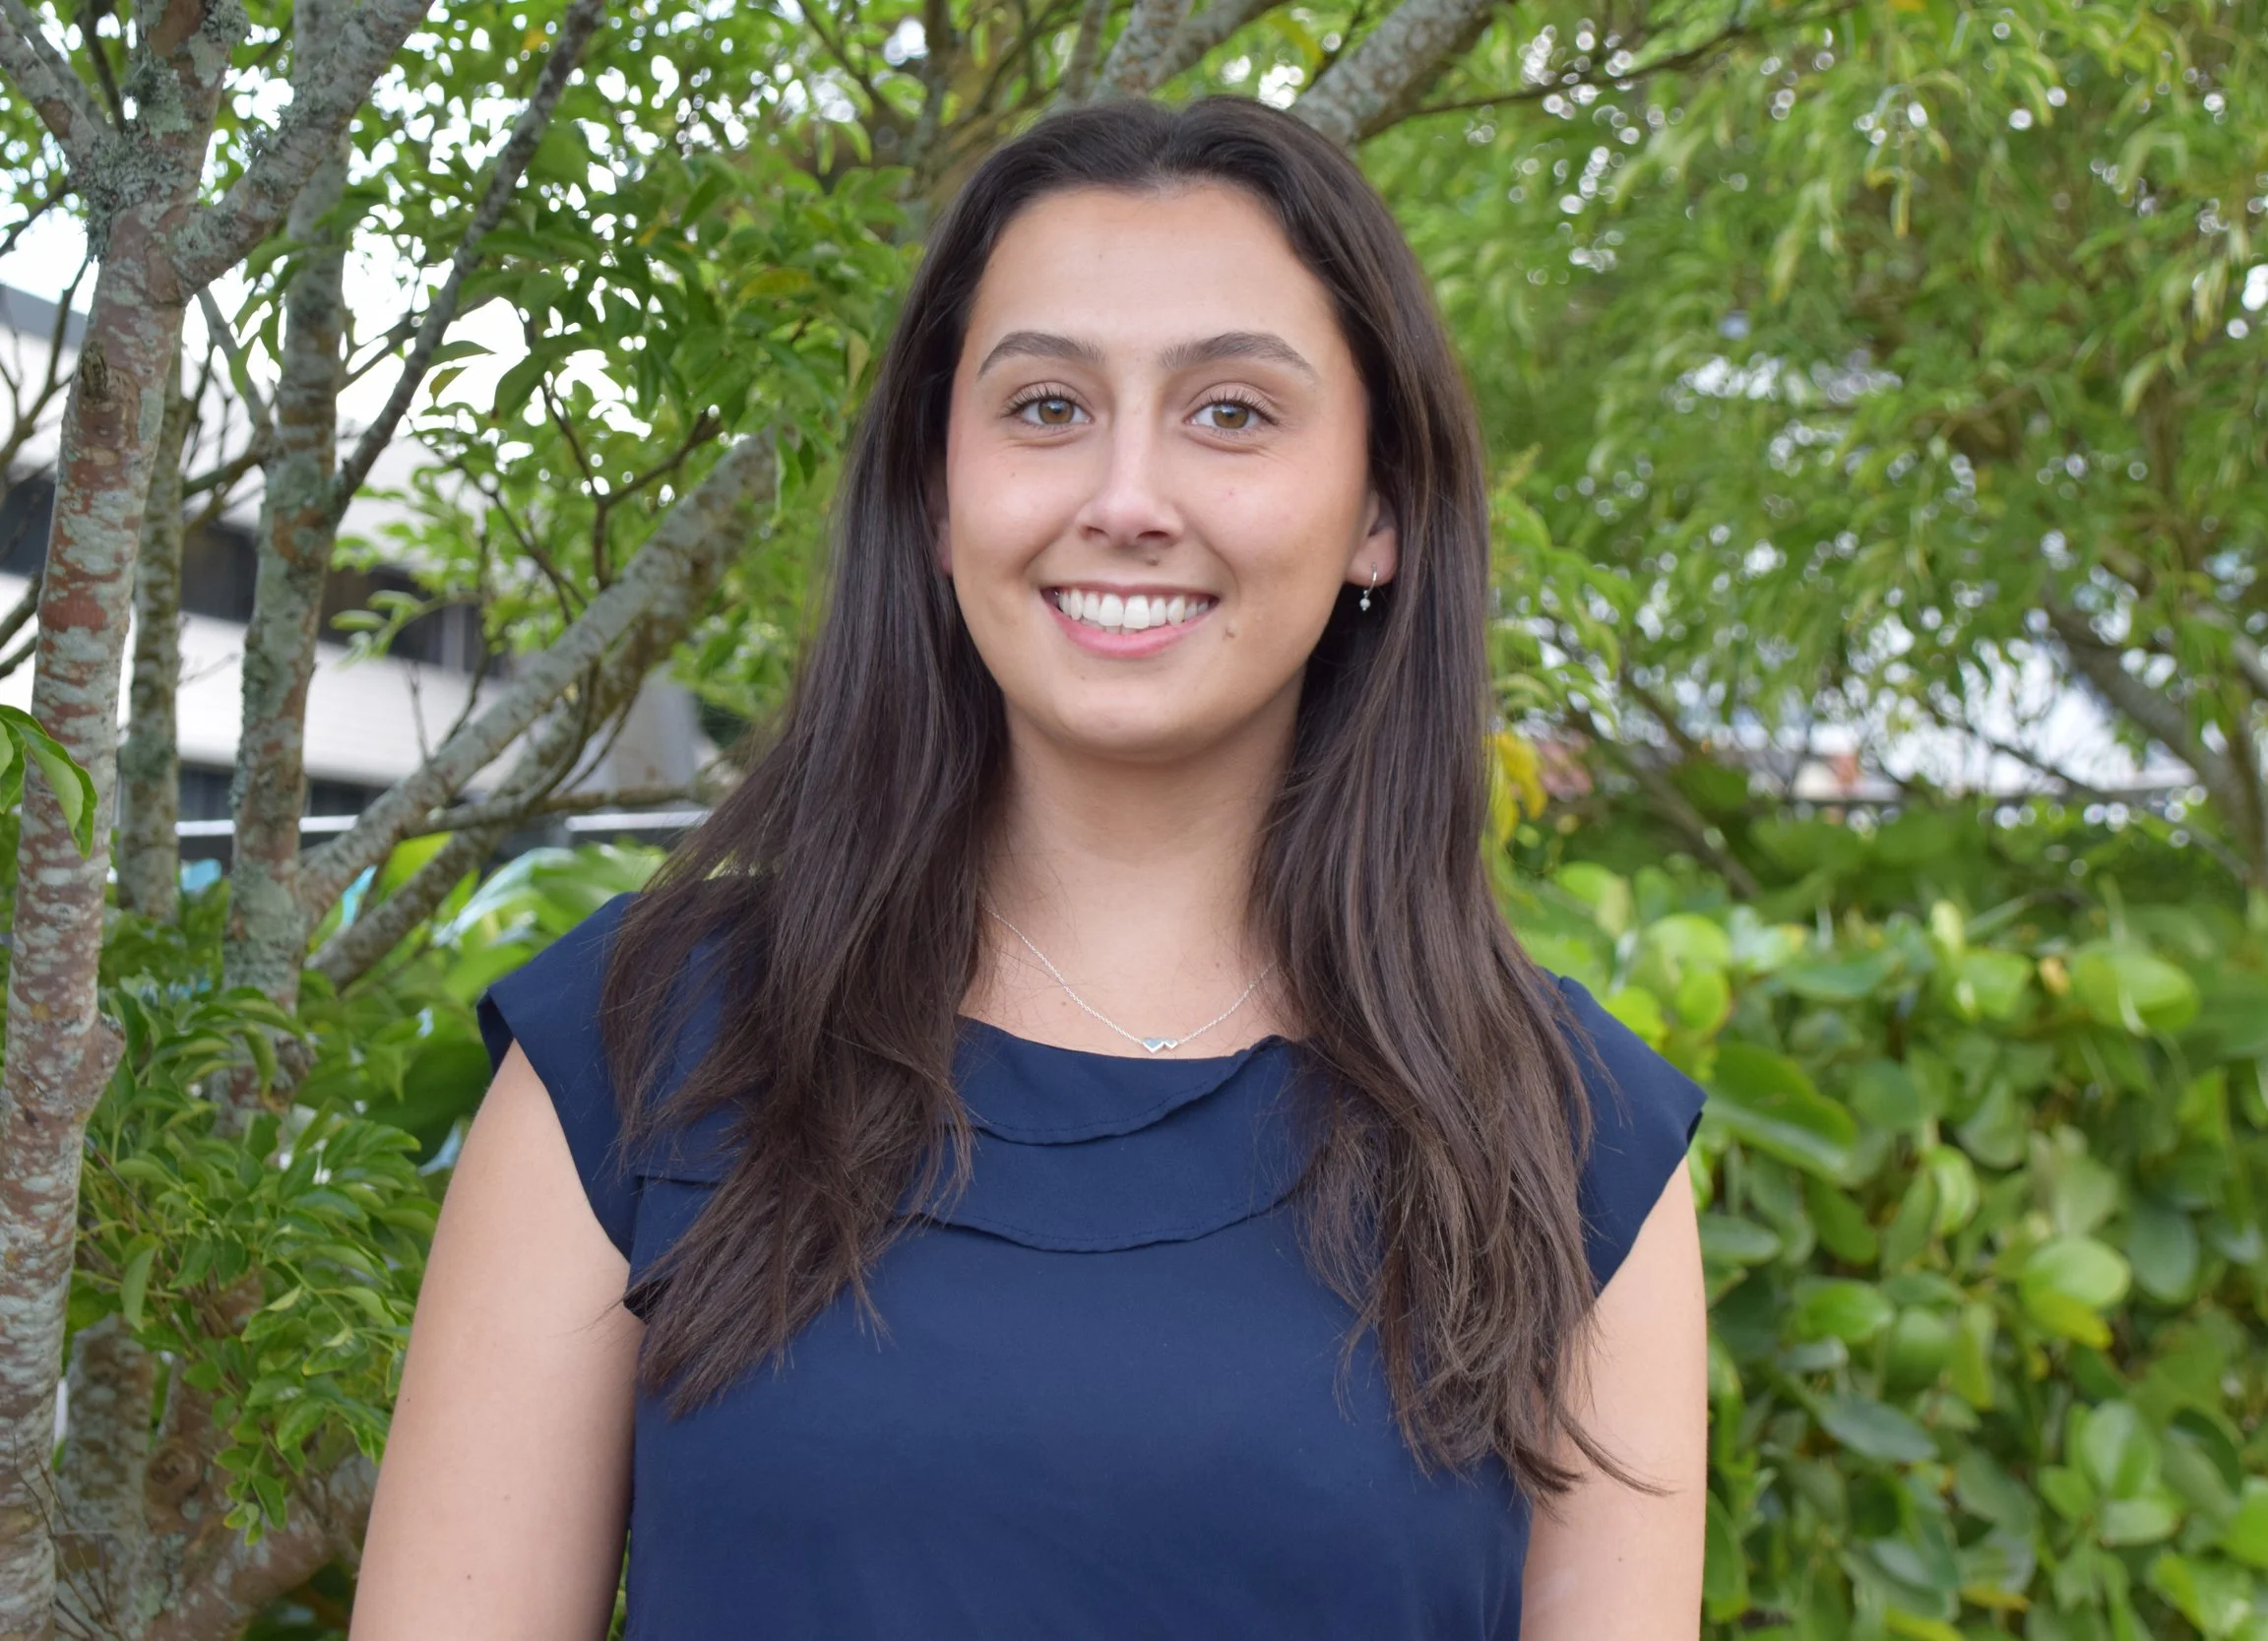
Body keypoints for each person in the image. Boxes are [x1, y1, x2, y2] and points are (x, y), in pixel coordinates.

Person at [352, 94, 1708, 1640]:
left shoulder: (1573, 1146)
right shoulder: (641, 1046)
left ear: (1380, 511)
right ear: (940, 491)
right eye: (1047, 406)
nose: (1125, 499)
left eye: (1232, 413)